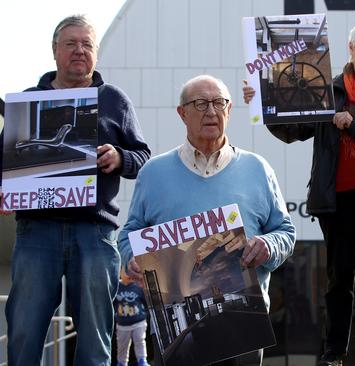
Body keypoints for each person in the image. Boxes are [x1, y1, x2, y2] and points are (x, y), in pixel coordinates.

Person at [244, 20, 355, 365]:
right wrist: (263, 104)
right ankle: (333, 354)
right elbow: (296, 127)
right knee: (339, 279)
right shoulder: (328, 88)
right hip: (336, 198)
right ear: (350, 47)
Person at [118, 75, 295, 366]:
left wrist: (268, 244)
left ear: (229, 110)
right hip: (177, 332)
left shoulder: (258, 169)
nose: (211, 111)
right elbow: (129, 233)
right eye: (200, 103)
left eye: (218, 103)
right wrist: (131, 257)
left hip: (242, 326)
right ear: (182, 113)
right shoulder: (152, 173)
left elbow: (285, 232)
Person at [4, 15, 151, 365]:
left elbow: (143, 157)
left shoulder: (114, 99)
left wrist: (120, 156)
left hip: (95, 232)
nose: (79, 51)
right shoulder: (27, 102)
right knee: (23, 330)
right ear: (55, 51)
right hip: (36, 230)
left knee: (96, 335)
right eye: (71, 43)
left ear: (96, 54)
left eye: (87, 44)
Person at [114, 270, 149, 366]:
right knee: (122, 345)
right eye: (126, 272)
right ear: (120, 272)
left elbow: (144, 302)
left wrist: (144, 315)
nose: (129, 275)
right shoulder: (116, 287)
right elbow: (113, 304)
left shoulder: (137, 287)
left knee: (140, 340)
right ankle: (121, 362)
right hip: (123, 324)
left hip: (138, 321)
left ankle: (142, 360)